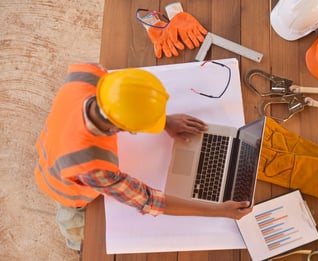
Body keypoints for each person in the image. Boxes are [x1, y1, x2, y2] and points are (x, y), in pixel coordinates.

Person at [35, 63, 252, 251]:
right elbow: (148, 200)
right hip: (63, 187)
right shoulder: (92, 166)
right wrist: (220, 210)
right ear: (118, 127)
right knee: (83, 232)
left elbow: (127, 99)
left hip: (54, 139)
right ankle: (77, 245)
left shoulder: (88, 73)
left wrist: (165, 121)